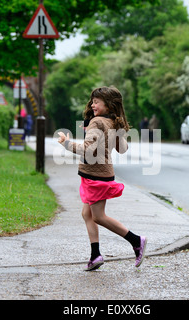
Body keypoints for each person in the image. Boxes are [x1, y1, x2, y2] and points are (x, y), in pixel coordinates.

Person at [58, 86, 147, 271]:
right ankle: (95, 255)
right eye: (92, 101)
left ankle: (136, 241)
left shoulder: (97, 122)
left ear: (108, 104)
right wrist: (118, 129)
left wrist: (66, 143)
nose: (92, 104)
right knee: (87, 214)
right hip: (101, 174)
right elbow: (123, 149)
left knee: (98, 216)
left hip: (95, 175)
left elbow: (87, 150)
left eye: (97, 102)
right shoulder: (111, 122)